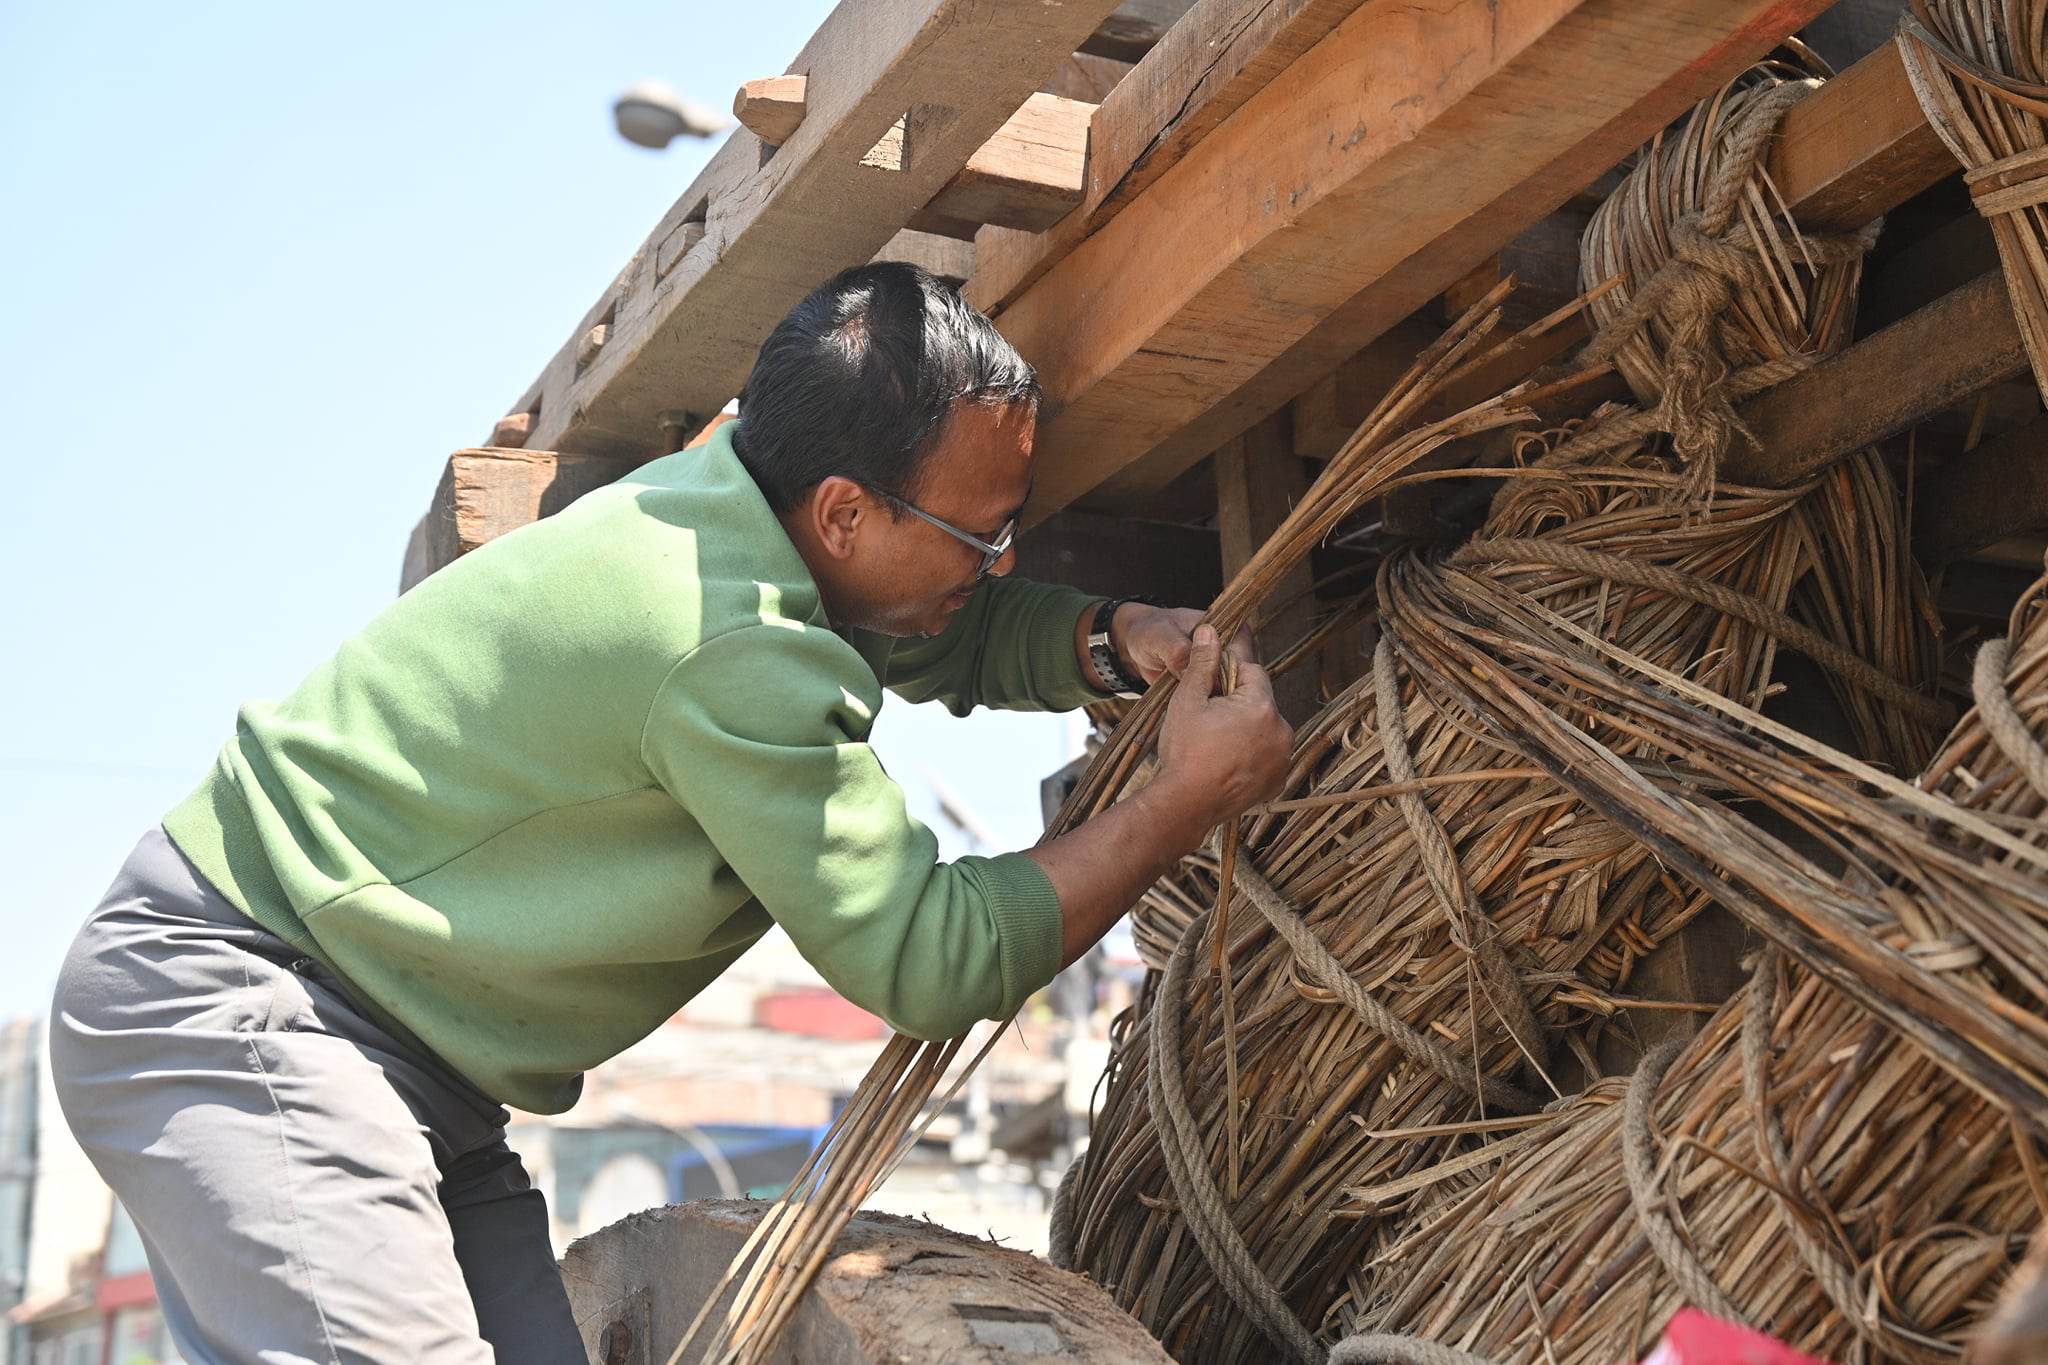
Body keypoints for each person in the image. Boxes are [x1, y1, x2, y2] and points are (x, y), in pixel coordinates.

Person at [49, 262, 1292, 1362]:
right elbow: (930, 956)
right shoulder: (725, 637)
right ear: (845, 513)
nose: (1000, 565)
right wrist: (1184, 798)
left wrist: (1106, 639)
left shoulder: (736, 514)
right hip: (250, 1006)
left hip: (411, 1063)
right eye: (983, 536)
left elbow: (922, 628)